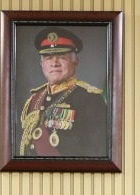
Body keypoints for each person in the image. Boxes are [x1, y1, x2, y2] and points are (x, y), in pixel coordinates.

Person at [17, 27, 109, 158]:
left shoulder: (90, 99)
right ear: (42, 64)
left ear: (75, 62)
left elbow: (98, 152)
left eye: (61, 57)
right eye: (48, 58)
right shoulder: (34, 99)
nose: (54, 63)